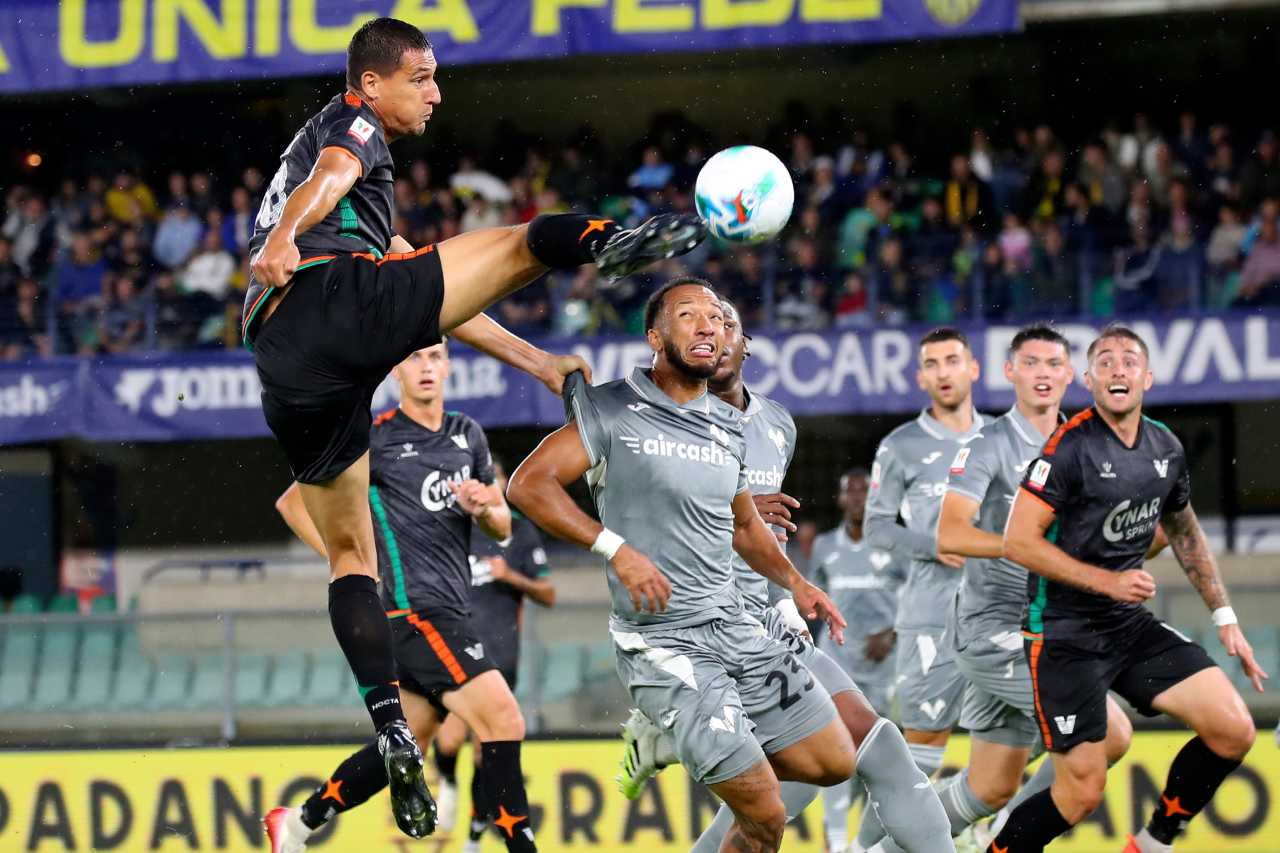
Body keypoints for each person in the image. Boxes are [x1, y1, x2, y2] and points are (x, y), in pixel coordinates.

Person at [243, 17, 706, 837]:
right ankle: (615, 239)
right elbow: (334, 172)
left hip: (287, 361)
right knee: (528, 240)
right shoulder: (351, 128)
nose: (435, 93)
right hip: (327, 295)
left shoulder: (345, 197)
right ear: (372, 82)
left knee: (350, 557)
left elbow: (443, 291)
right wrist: (284, 235)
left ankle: (390, 725)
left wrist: (535, 360)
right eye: (421, 77)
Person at [506, 282, 856, 853]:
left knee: (834, 761)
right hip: (664, 643)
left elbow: (745, 527)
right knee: (766, 813)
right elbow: (528, 485)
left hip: (735, 627)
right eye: (688, 315)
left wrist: (798, 584)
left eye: (715, 316)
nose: (706, 325)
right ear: (655, 337)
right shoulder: (615, 407)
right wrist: (615, 548)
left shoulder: (727, 426)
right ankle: (687, 730)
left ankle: (674, 741)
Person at [613, 288, 953, 853]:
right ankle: (668, 737)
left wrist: (785, 596)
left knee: (821, 775)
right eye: (699, 322)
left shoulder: (776, 423)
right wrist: (728, 514)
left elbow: (764, 535)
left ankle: (665, 741)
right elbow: (652, 525)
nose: (713, 332)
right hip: (704, 632)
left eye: (725, 322)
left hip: (766, 625)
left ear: (744, 344)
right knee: (825, 773)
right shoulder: (668, 422)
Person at [985, 324, 1267, 853]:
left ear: (1147, 378)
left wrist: (1225, 617)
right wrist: (1108, 580)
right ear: (1089, 380)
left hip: (1127, 627)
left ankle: (1154, 843)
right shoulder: (1066, 450)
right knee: (1081, 794)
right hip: (1063, 634)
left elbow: (1183, 530)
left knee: (1233, 729)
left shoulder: (1165, 446)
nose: (1118, 368)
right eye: (1106, 362)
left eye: (1129, 360)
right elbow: (1017, 542)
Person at [266, 342, 541, 853]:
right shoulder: (378, 438)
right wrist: (350, 563)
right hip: (414, 613)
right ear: (396, 370)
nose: (426, 367)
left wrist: (485, 508)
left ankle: (299, 824)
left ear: (449, 367)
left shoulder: (467, 434)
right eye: (414, 358)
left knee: (403, 746)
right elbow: (293, 503)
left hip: (450, 613)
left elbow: (503, 527)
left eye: (435, 357)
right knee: (504, 719)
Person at [874, 326, 1134, 853]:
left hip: (1046, 628)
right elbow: (951, 533)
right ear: (1009, 371)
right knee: (1109, 733)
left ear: (1072, 375)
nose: (1043, 374)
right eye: (1030, 363)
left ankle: (883, 851)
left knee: (988, 786)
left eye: (1053, 364)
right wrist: (1024, 547)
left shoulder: (1088, 447)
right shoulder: (986, 443)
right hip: (993, 632)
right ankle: (1009, 841)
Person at [852, 327, 985, 853]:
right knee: (916, 759)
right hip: (933, 617)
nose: (943, 372)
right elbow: (878, 526)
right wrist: (935, 544)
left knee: (1041, 727)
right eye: (932, 364)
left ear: (973, 369)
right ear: (920, 377)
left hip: (1002, 615)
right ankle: (863, 850)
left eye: (953, 360)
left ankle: (967, 812)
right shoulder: (901, 446)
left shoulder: (1002, 438)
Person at [432, 460, 557, 850]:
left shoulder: (519, 532)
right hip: (455, 650)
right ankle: (448, 782)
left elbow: (548, 593)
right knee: (447, 743)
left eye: (494, 479)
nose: (488, 486)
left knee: (485, 754)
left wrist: (510, 576)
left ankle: (472, 839)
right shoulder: (455, 528)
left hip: (501, 657)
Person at [808, 468, 907, 851]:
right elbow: (812, 598)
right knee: (838, 752)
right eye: (850, 491)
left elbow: (921, 595)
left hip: (886, 669)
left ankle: (865, 845)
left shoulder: (895, 544)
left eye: (864, 491)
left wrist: (892, 634)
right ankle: (836, 844)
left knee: (877, 761)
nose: (857, 498)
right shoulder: (824, 547)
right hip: (839, 664)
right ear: (840, 498)